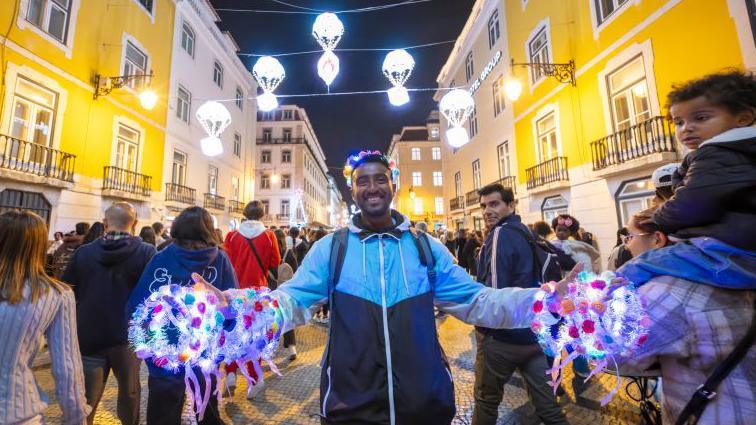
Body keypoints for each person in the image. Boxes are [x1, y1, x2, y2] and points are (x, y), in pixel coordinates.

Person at [192, 151, 578, 425]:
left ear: (392, 185)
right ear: (353, 190)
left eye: (380, 179)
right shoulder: (333, 248)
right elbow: (290, 301)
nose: (372, 187)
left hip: (425, 403)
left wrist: (542, 300)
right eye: (363, 181)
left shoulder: (425, 247)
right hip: (349, 404)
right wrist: (236, 305)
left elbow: (478, 301)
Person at [616, 207, 755, 424]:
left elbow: (616, 356)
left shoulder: (666, 291)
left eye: (630, 236)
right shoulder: (741, 268)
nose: (627, 244)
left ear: (657, 240)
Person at [126, 207, 238, 425]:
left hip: (166, 348)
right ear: (209, 229)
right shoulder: (220, 260)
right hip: (206, 346)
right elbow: (231, 303)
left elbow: (139, 302)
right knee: (207, 400)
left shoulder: (162, 258)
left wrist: (143, 344)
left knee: (163, 407)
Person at [473, 184, 568, 425]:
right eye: (484, 206)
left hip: (502, 338)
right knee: (548, 407)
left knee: (486, 403)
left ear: (511, 205)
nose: (487, 211)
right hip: (533, 335)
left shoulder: (500, 234)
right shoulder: (527, 232)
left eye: (494, 204)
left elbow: (494, 291)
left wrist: (485, 331)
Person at [62, 202, 156, 425]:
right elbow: (154, 296)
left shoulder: (83, 253)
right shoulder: (147, 253)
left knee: (86, 399)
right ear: (134, 224)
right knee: (130, 394)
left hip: (88, 335)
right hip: (128, 338)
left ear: (104, 224)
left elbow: (67, 291)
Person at [0, 211, 90, 424]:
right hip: (18, 410)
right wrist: (76, 417)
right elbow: (67, 367)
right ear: (39, 246)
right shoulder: (56, 294)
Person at [652, 70, 756, 252]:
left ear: (743, 118)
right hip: (737, 241)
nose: (686, 129)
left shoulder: (717, 153)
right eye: (678, 122)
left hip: (728, 247)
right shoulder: (737, 149)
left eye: (701, 118)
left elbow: (690, 205)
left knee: (635, 268)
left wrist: (656, 217)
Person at [222, 200, 280, 398]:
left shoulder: (232, 236)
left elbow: (226, 261)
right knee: (255, 338)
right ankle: (255, 381)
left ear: (245, 214)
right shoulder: (269, 236)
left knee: (232, 333)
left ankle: (230, 373)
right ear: (262, 215)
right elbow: (275, 262)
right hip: (258, 294)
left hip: (235, 292)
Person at [274, 228, 298, 361]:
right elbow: (296, 270)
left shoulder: (271, 253)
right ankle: (291, 347)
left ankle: (268, 348)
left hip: (271, 290)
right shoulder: (288, 253)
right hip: (286, 290)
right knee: (287, 317)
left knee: (269, 319)